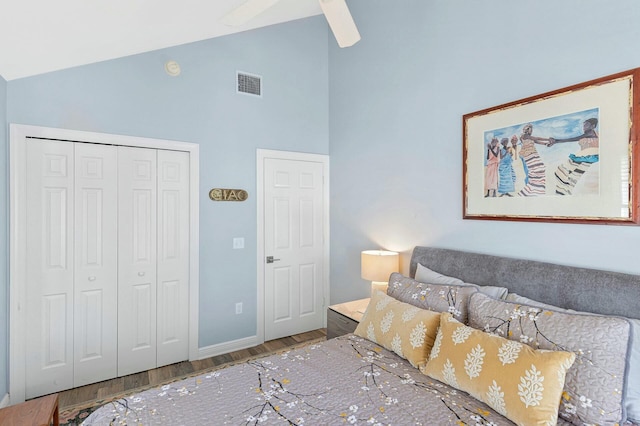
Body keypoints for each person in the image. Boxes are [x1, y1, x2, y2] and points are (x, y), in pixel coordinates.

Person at [547, 118, 599, 195]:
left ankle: (564, 190)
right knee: (567, 174)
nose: (584, 127)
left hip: (589, 156)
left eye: (586, 125)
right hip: (586, 156)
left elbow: (573, 139)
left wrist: (556, 141)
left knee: (562, 171)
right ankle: (564, 190)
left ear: (593, 126)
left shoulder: (591, 133)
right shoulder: (591, 134)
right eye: (583, 125)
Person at [517, 123, 550, 196]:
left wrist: (546, 144)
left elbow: (537, 141)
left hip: (534, 154)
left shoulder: (529, 137)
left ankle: (537, 188)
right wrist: (548, 139)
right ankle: (531, 189)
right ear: (528, 130)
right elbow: (536, 138)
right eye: (531, 129)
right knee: (535, 170)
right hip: (528, 155)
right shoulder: (524, 136)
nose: (532, 131)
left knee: (541, 168)